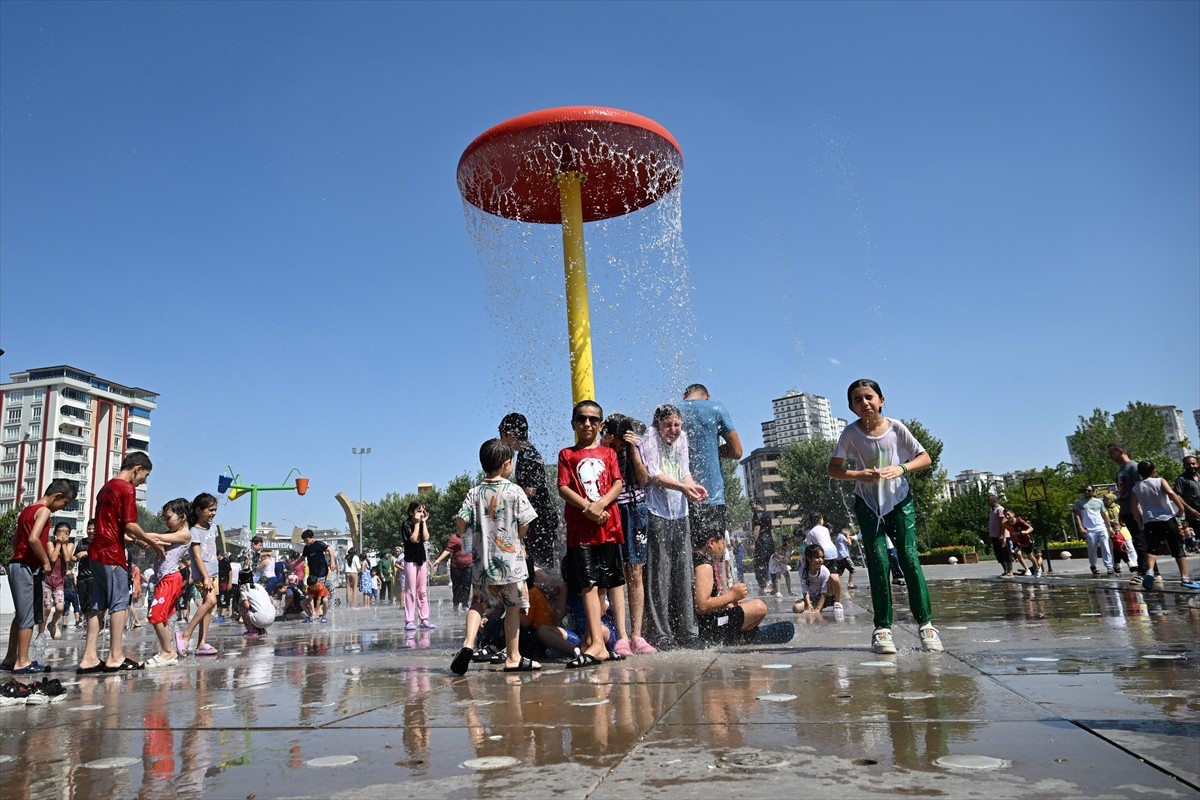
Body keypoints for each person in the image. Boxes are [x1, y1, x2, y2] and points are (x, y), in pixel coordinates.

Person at [828, 379, 942, 655]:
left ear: (881, 399)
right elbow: (834, 469)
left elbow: (925, 458)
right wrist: (859, 475)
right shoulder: (850, 434)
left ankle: (926, 625)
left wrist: (901, 468)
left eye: (869, 397)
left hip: (899, 501)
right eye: (857, 400)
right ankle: (882, 629)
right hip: (867, 503)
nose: (864, 403)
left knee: (908, 557)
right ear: (851, 407)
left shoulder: (896, 428)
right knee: (878, 562)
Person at [450, 438, 540, 675]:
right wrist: (517, 537)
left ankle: (468, 644)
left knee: (477, 604)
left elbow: (461, 523)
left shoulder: (474, 492)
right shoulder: (514, 490)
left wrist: (467, 531)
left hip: (483, 564)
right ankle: (513, 657)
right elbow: (525, 524)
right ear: (507, 464)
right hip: (511, 564)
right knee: (512, 608)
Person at [77, 452, 165, 674]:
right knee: (119, 603)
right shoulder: (126, 488)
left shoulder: (106, 487)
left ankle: (89, 657)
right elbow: (130, 524)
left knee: (97, 603)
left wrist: (136, 539)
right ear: (136, 468)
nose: (143, 481)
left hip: (95, 551)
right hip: (112, 554)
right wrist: (152, 542)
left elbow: (112, 525)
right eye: (144, 476)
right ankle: (115, 656)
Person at [557, 400, 626, 667]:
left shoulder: (608, 453)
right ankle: (598, 644)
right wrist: (588, 506)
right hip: (581, 531)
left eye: (593, 420)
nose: (588, 424)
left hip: (608, 528)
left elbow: (618, 482)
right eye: (582, 419)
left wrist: (600, 504)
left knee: (602, 586)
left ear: (600, 424)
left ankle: (591, 639)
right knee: (587, 584)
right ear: (573, 423)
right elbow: (563, 487)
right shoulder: (567, 454)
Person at [641, 403, 706, 650]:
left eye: (677, 424)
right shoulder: (650, 437)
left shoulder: (682, 439)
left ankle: (688, 632)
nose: (673, 429)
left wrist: (693, 486)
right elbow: (654, 475)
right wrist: (682, 487)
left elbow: (685, 473)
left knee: (683, 571)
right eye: (668, 424)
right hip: (656, 511)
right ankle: (660, 633)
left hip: (680, 512)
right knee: (659, 573)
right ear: (658, 425)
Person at [2, 479, 76, 674]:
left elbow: (15, 540)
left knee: (20, 615)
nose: (62, 508)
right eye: (64, 503)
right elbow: (34, 538)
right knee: (27, 616)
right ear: (57, 496)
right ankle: (23, 662)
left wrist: (19, 554)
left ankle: (10, 658)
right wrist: (44, 561)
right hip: (27, 567)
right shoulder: (44, 511)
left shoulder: (27, 510)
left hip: (17, 564)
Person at [602, 414, 655, 656]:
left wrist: (632, 448)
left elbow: (644, 479)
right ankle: (621, 636)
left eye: (622, 439)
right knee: (616, 572)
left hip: (636, 509)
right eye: (617, 439)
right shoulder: (602, 448)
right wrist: (606, 448)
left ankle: (637, 635)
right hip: (613, 510)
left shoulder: (637, 444)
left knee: (635, 571)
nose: (619, 445)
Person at [680, 384, 743, 565]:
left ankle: (692, 593)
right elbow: (737, 451)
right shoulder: (716, 408)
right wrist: (715, 451)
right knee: (714, 553)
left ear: (684, 395)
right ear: (707, 396)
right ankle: (714, 592)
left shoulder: (674, 410)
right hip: (712, 496)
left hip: (682, 495)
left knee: (689, 554)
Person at [692, 525, 775, 646]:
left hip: (706, 623)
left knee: (743, 607)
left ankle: (740, 634)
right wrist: (732, 595)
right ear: (711, 543)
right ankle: (743, 637)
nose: (724, 549)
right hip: (708, 628)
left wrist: (725, 603)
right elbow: (702, 606)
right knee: (759, 607)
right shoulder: (704, 566)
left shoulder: (693, 559)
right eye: (723, 544)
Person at [499, 412, 559, 573]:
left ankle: (552, 595)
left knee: (541, 567)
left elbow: (530, 491)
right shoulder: (529, 453)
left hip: (538, 520)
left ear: (510, 435)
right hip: (542, 517)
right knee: (541, 563)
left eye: (501, 435)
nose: (502, 441)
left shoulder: (527, 455)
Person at [143, 498, 196, 668]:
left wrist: (136, 533)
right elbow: (156, 541)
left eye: (168, 517)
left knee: (155, 615)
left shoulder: (185, 534)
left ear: (183, 516)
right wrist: (137, 539)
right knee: (161, 617)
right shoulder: (172, 535)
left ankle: (168, 652)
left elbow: (157, 537)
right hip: (164, 580)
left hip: (170, 579)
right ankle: (168, 651)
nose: (166, 522)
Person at [1130, 460, 1200, 590]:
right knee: (1178, 548)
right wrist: (1180, 509)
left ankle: (1150, 571)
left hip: (1150, 522)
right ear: (1154, 471)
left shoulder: (1136, 488)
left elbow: (1134, 507)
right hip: (1167, 519)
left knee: (1152, 549)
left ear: (1139, 473)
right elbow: (1172, 494)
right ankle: (1185, 578)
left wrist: (1140, 521)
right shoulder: (1160, 481)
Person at [174, 493, 220, 658]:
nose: (213, 513)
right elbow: (197, 556)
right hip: (203, 573)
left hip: (213, 572)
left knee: (208, 607)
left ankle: (202, 643)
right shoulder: (194, 531)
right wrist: (206, 576)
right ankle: (185, 634)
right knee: (210, 601)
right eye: (210, 510)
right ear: (199, 510)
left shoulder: (212, 528)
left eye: (215, 510)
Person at [1109, 443, 1149, 581]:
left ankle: (1144, 572)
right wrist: (1121, 512)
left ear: (1120, 451)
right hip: (1126, 510)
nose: (1110, 456)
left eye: (1111, 453)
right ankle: (1151, 571)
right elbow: (1121, 492)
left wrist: (1138, 511)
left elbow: (1139, 489)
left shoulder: (1134, 467)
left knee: (1140, 541)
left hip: (1135, 510)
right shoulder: (1119, 471)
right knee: (1138, 541)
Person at [402, 503, 435, 630]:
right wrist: (416, 524)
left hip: (421, 559)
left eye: (423, 511)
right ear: (411, 513)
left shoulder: (421, 523)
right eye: (418, 511)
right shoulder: (406, 524)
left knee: (422, 591)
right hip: (410, 560)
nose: (422, 513)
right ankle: (409, 620)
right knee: (410, 591)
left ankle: (424, 619)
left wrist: (424, 522)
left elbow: (426, 538)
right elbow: (414, 539)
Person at [1072, 485, 1115, 577]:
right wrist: (1080, 527)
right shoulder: (1079, 502)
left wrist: (1109, 528)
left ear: (1093, 491)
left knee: (1105, 547)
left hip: (1101, 527)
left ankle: (1109, 566)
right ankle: (1093, 565)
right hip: (1089, 529)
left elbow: (1104, 515)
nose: (1086, 492)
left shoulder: (1099, 502)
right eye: (1085, 490)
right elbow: (1077, 516)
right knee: (1092, 549)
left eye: (1089, 490)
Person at [42, 523, 74, 640]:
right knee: (47, 608)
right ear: (55, 533)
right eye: (60, 532)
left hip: (59, 582)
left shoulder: (70, 545)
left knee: (60, 608)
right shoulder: (50, 544)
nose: (63, 535)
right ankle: (41, 631)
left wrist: (63, 545)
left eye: (66, 533)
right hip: (47, 581)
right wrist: (58, 544)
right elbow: (53, 558)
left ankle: (52, 624)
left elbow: (67, 558)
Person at [792, 543, 843, 614]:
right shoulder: (802, 570)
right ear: (808, 558)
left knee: (834, 577)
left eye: (822, 557)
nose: (821, 560)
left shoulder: (824, 571)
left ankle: (837, 604)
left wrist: (818, 609)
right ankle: (814, 605)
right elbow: (805, 589)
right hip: (813, 598)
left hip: (828, 597)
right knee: (796, 608)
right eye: (817, 557)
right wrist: (808, 605)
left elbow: (824, 592)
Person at [431, 530, 472, 612]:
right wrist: (438, 560)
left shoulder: (471, 536)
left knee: (466, 586)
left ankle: (465, 604)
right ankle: (456, 604)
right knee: (456, 586)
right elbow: (447, 550)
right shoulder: (454, 538)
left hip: (468, 565)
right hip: (456, 566)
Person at [1004, 509, 1041, 577]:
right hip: (1015, 541)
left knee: (1030, 557)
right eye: (1005, 515)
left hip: (1025, 540)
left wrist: (1026, 532)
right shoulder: (1005, 524)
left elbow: (1031, 528)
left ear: (1013, 514)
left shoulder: (1019, 521)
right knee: (1018, 554)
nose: (1007, 516)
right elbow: (1003, 530)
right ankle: (1027, 569)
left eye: (1008, 514)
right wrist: (1004, 538)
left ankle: (1037, 569)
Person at [750, 499, 775, 596]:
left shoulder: (757, 514)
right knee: (771, 564)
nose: (751, 507)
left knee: (758, 564)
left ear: (758, 504)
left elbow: (757, 529)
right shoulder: (767, 515)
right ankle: (773, 585)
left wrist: (753, 542)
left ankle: (764, 586)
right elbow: (770, 530)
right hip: (769, 542)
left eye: (752, 504)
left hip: (761, 542)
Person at [241, 572, 276, 637]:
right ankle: (262, 630)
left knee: (242, 606)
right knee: (257, 606)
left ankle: (252, 630)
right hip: (272, 618)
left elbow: (246, 606)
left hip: (260, 619)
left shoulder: (243, 588)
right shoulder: (260, 586)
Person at [987, 494, 1013, 577]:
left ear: (994, 501)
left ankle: (1010, 571)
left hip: (1002, 536)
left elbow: (1003, 522)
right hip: (995, 536)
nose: (988, 502)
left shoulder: (1000, 509)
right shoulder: (992, 510)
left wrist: (1002, 535)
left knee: (1006, 553)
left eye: (989, 500)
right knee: (999, 554)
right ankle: (1005, 570)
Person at [1175, 456, 1200, 539]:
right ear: (1184, 465)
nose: (1191, 466)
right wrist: (1190, 509)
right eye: (1188, 464)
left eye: (1193, 464)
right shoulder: (1181, 479)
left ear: (1198, 464)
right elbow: (1178, 496)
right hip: (1194, 516)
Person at [215, 552, 231, 623]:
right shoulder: (217, 562)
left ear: (219, 555)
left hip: (224, 582)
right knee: (218, 598)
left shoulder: (225, 561)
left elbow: (230, 572)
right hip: (218, 582)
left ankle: (222, 616)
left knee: (223, 598)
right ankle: (218, 615)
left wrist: (230, 582)